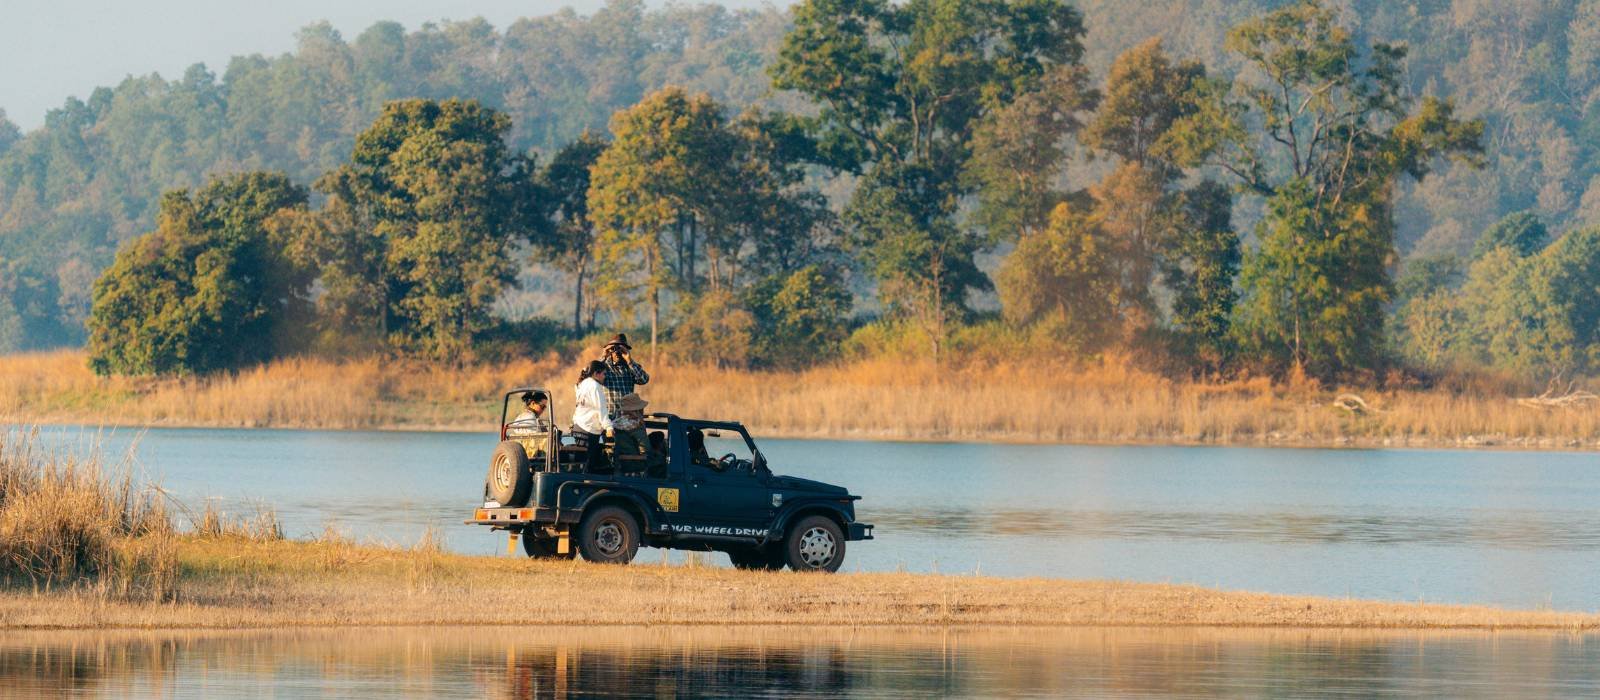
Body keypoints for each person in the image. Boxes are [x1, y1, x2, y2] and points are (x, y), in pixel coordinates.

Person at [571, 360, 614, 473]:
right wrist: (608, 427)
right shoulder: (595, 386)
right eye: (604, 374)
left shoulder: (583, 384)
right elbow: (601, 409)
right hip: (588, 429)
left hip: (579, 426)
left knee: (582, 463)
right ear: (596, 373)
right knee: (589, 465)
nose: (605, 377)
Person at [599, 334, 649, 414]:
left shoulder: (631, 366)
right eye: (613, 349)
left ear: (626, 350)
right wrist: (603, 356)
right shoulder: (603, 367)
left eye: (621, 349)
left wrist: (629, 361)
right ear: (609, 351)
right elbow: (589, 377)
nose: (617, 352)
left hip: (627, 416)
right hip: (609, 417)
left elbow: (644, 380)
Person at [612, 392, 649, 464]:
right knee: (658, 459)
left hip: (618, 461)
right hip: (634, 461)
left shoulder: (614, 423)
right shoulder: (635, 425)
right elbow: (645, 447)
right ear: (637, 410)